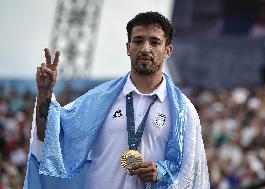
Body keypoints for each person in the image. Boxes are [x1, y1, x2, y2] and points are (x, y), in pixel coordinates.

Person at [23, 12, 209, 189]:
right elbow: (49, 135)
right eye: (138, 41)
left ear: (168, 51)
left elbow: (192, 173)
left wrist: (161, 172)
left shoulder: (184, 111)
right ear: (128, 47)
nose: (145, 48)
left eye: (154, 42)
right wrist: (45, 92)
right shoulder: (98, 99)